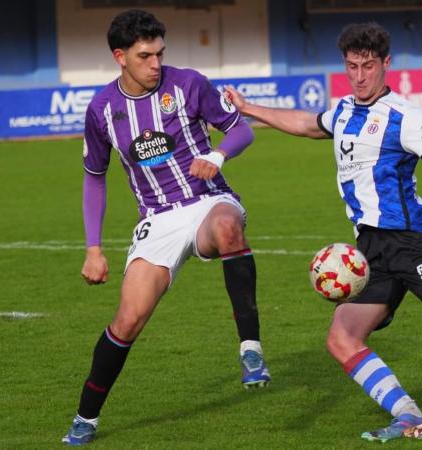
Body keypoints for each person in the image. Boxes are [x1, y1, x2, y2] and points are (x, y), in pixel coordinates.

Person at [225, 22, 422, 443]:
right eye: (352, 66)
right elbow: (305, 124)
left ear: (386, 64)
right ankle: (408, 414)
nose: (359, 76)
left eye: (368, 66)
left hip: (414, 243)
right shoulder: (342, 111)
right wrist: (250, 109)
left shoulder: (405, 116)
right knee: (341, 338)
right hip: (370, 253)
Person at [62, 9, 270, 446]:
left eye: (159, 53)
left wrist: (217, 157)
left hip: (207, 200)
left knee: (229, 226)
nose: (156, 63)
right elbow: (94, 177)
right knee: (128, 320)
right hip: (156, 220)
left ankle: (250, 349)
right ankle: (85, 418)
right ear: (120, 57)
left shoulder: (188, 83)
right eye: (144, 56)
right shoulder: (102, 110)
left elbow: (240, 130)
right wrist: (93, 248)